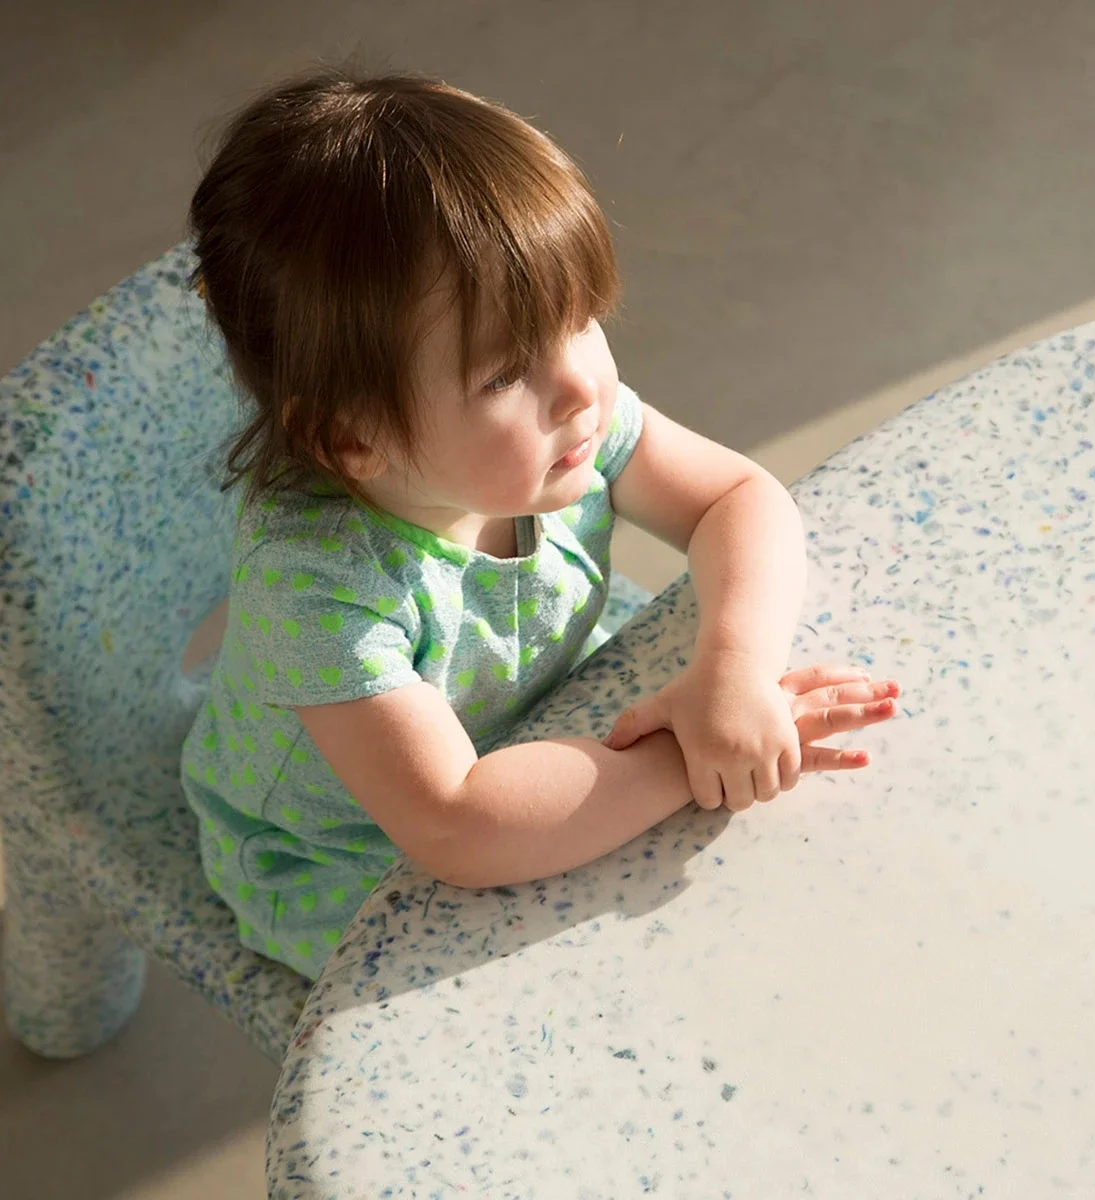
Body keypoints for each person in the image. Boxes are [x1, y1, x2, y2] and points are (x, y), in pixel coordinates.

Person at [180, 68, 900, 979]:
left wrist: (732, 670)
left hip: (552, 730)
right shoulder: (315, 587)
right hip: (354, 864)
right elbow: (459, 827)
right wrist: (695, 753)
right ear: (352, 437)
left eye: (581, 319)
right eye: (503, 373)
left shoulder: (559, 432)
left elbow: (738, 498)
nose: (579, 387)